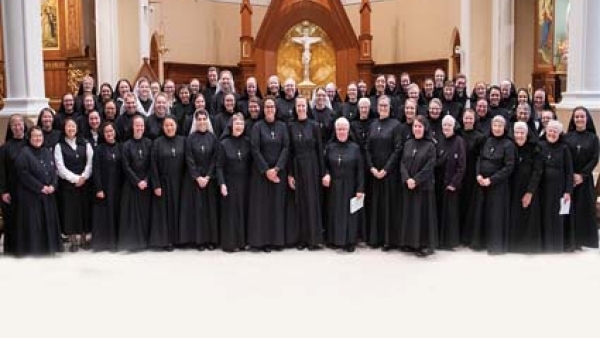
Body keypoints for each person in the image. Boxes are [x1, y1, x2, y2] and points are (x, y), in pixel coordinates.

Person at [467, 115, 515, 254]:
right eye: (495, 125)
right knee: (481, 213)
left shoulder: (509, 144)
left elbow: (509, 167)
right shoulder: (486, 140)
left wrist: (491, 180)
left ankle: (494, 245)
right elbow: (479, 158)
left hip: (498, 186)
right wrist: (478, 175)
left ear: (504, 127)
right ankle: (479, 243)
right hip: (482, 183)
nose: (497, 128)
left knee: (495, 216)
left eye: (500, 125)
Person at [12, 127, 63, 256]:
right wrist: (41, 187)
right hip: (32, 197)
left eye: (40, 136)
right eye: (35, 136)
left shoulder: (46, 151)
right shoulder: (24, 153)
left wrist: (53, 185)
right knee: (35, 225)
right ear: (29, 138)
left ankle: (49, 249)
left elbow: (54, 170)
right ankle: (36, 252)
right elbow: (23, 174)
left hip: (48, 195)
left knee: (48, 223)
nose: (38, 138)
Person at [247, 97, 289, 252]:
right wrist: (266, 170)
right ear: (263, 109)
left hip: (279, 173)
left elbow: (286, 148)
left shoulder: (283, 126)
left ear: (276, 109)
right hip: (261, 174)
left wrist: (277, 169)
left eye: (272, 106)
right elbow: (255, 148)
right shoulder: (257, 126)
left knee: (277, 206)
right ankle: (263, 241)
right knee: (262, 208)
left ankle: (277, 240)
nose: (269, 109)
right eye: (267, 107)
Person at [287, 96, 325, 250]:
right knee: (299, 203)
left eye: (303, 105)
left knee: (312, 202)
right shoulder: (290, 126)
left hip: (312, 166)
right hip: (297, 166)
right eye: (298, 106)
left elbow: (320, 150)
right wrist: (290, 173)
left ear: (307, 107)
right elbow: (289, 151)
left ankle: (314, 239)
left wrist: (323, 173)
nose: (301, 108)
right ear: (295, 108)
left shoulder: (314, 125)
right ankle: (301, 239)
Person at [179, 110, 220, 250]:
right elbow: (189, 159)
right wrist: (197, 177)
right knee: (198, 211)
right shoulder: (190, 138)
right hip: (195, 181)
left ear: (207, 120)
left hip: (210, 180)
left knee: (210, 211)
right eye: (199, 119)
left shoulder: (213, 138)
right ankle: (199, 241)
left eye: (204, 119)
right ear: (195, 122)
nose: (202, 121)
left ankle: (211, 240)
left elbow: (215, 159)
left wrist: (208, 176)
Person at [365, 95, 402, 250]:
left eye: (386, 106)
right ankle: (375, 238)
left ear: (390, 107)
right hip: (374, 173)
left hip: (389, 173)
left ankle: (388, 240)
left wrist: (386, 169)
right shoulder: (373, 125)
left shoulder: (396, 125)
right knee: (376, 205)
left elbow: (398, 149)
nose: (383, 108)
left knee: (388, 206)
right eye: (381, 105)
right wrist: (372, 167)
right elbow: (366, 147)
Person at [322, 117, 364, 252]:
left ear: (348, 130)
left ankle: (349, 241)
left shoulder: (355, 148)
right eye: (339, 129)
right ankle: (334, 240)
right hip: (334, 186)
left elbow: (360, 170)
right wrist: (326, 174)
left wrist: (360, 188)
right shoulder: (330, 147)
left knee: (350, 214)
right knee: (334, 212)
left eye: (344, 129)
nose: (341, 132)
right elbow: (325, 165)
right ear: (335, 131)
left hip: (351, 186)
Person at [399, 116, 438, 257]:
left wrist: (415, 180)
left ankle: (423, 245)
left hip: (423, 187)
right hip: (409, 186)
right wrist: (407, 178)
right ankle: (410, 243)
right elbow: (402, 163)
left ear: (425, 128)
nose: (417, 129)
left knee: (422, 216)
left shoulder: (430, 145)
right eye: (415, 126)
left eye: (420, 126)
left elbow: (430, 166)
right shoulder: (408, 143)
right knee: (410, 215)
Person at [54, 118, 94, 251]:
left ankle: (84, 239)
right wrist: (76, 179)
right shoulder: (59, 146)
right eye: (68, 126)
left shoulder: (85, 143)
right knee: (71, 213)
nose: (71, 129)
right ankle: (73, 241)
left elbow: (90, 163)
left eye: (73, 126)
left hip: (85, 184)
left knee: (84, 210)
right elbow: (60, 167)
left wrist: (83, 177)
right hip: (68, 185)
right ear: (64, 129)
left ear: (77, 128)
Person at [148, 116, 186, 251]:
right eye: (166, 126)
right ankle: (168, 240)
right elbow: (153, 165)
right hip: (163, 182)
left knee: (179, 211)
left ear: (176, 126)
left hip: (180, 182)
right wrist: (156, 184)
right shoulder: (157, 143)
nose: (169, 128)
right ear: (163, 128)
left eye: (172, 125)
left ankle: (180, 239)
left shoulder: (183, 141)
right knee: (166, 213)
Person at [564, 107, 599, 249]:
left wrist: (582, 175)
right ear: (573, 119)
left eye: (582, 116)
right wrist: (571, 174)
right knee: (570, 209)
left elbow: (594, 159)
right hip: (569, 179)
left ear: (587, 118)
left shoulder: (593, 138)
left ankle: (585, 240)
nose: (579, 119)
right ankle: (571, 240)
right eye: (576, 117)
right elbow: (565, 157)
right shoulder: (567, 137)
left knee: (584, 209)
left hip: (585, 179)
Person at [217, 113, 252, 252]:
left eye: (241, 124)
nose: (239, 126)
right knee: (231, 213)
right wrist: (222, 183)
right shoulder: (223, 143)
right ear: (231, 126)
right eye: (236, 124)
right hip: (229, 182)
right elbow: (219, 166)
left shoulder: (248, 142)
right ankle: (230, 243)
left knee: (244, 211)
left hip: (245, 182)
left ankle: (243, 242)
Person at [539, 120, 574, 252]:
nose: (552, 133)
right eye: (550, 130)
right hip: (542, 188)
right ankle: (544, 245)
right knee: (544, 215)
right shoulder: (540, 145)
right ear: (546, 131)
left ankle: (557, 246)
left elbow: (569, 171)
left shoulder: (564, 148)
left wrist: (568, 191)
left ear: (559, 133)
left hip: (559, 189)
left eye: (555, 131)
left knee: (557, 217)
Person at [508, 122, 543, 253]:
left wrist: (529, 192)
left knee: (529, 217)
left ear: (527, 134)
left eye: (522, 132)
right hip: (513, 188)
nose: (519, 135)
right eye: (516, 132)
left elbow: (537, 171)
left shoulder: (535, 148)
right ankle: (514, 246)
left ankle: (528, 247)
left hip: (530, 189)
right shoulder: (510, 146)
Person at [119, 115, 152, 251]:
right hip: (132, 185)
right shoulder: (126, 145)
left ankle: (147, 241)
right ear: (133, 127)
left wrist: (146, 180)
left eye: (141, 126)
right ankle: (135, 243)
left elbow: (152, 164)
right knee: (133, 215)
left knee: (146, 214)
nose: (139, 128)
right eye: (137, 125)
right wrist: (137, 181)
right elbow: (126, 166)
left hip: (147, 184)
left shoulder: (150, 143)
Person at [435, 115, 465, 250]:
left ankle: (450, 242)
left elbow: (462, 166)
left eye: (449, 125)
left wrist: (454, 183)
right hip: (439, 184)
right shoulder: (440, 141)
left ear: (454, 127)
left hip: (452, 185)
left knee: (451, 215)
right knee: (440, 212)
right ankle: (439, 241)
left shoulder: (459, 141)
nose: (446, 127)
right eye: (445, 125)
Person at [91, 122, 123, 251]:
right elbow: (96, 170)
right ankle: (108, 244)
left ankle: (118, 242)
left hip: (119, 187)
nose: (109, 134)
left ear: (115, 132)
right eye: (107, 132)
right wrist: (99, 188)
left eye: (111, 131)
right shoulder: (99, 149)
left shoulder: (121, 147)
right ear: (103, 134)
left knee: (118, 213)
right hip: (105, 187)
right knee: (106, 215)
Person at [0, 114, 28, 254]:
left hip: (30, 191)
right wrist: (3, 191)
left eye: (20, 124)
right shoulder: (5, 148)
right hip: (12, 192)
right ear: (10, 128)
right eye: (14, 125)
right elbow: (1, 172)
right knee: (13, 222)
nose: (18, 127)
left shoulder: (31, 142)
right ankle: (13, 251)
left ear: (24, 125)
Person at [458, 109, 485, 244]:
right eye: (466, 118)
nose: (468, 121)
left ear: (474, 120)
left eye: (470, 118)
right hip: (459, 175)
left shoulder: (480, 137)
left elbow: (481, 157)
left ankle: (468, 237)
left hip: (472, 175)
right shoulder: (458, 134)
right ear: (462, 119)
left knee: (471, 205)